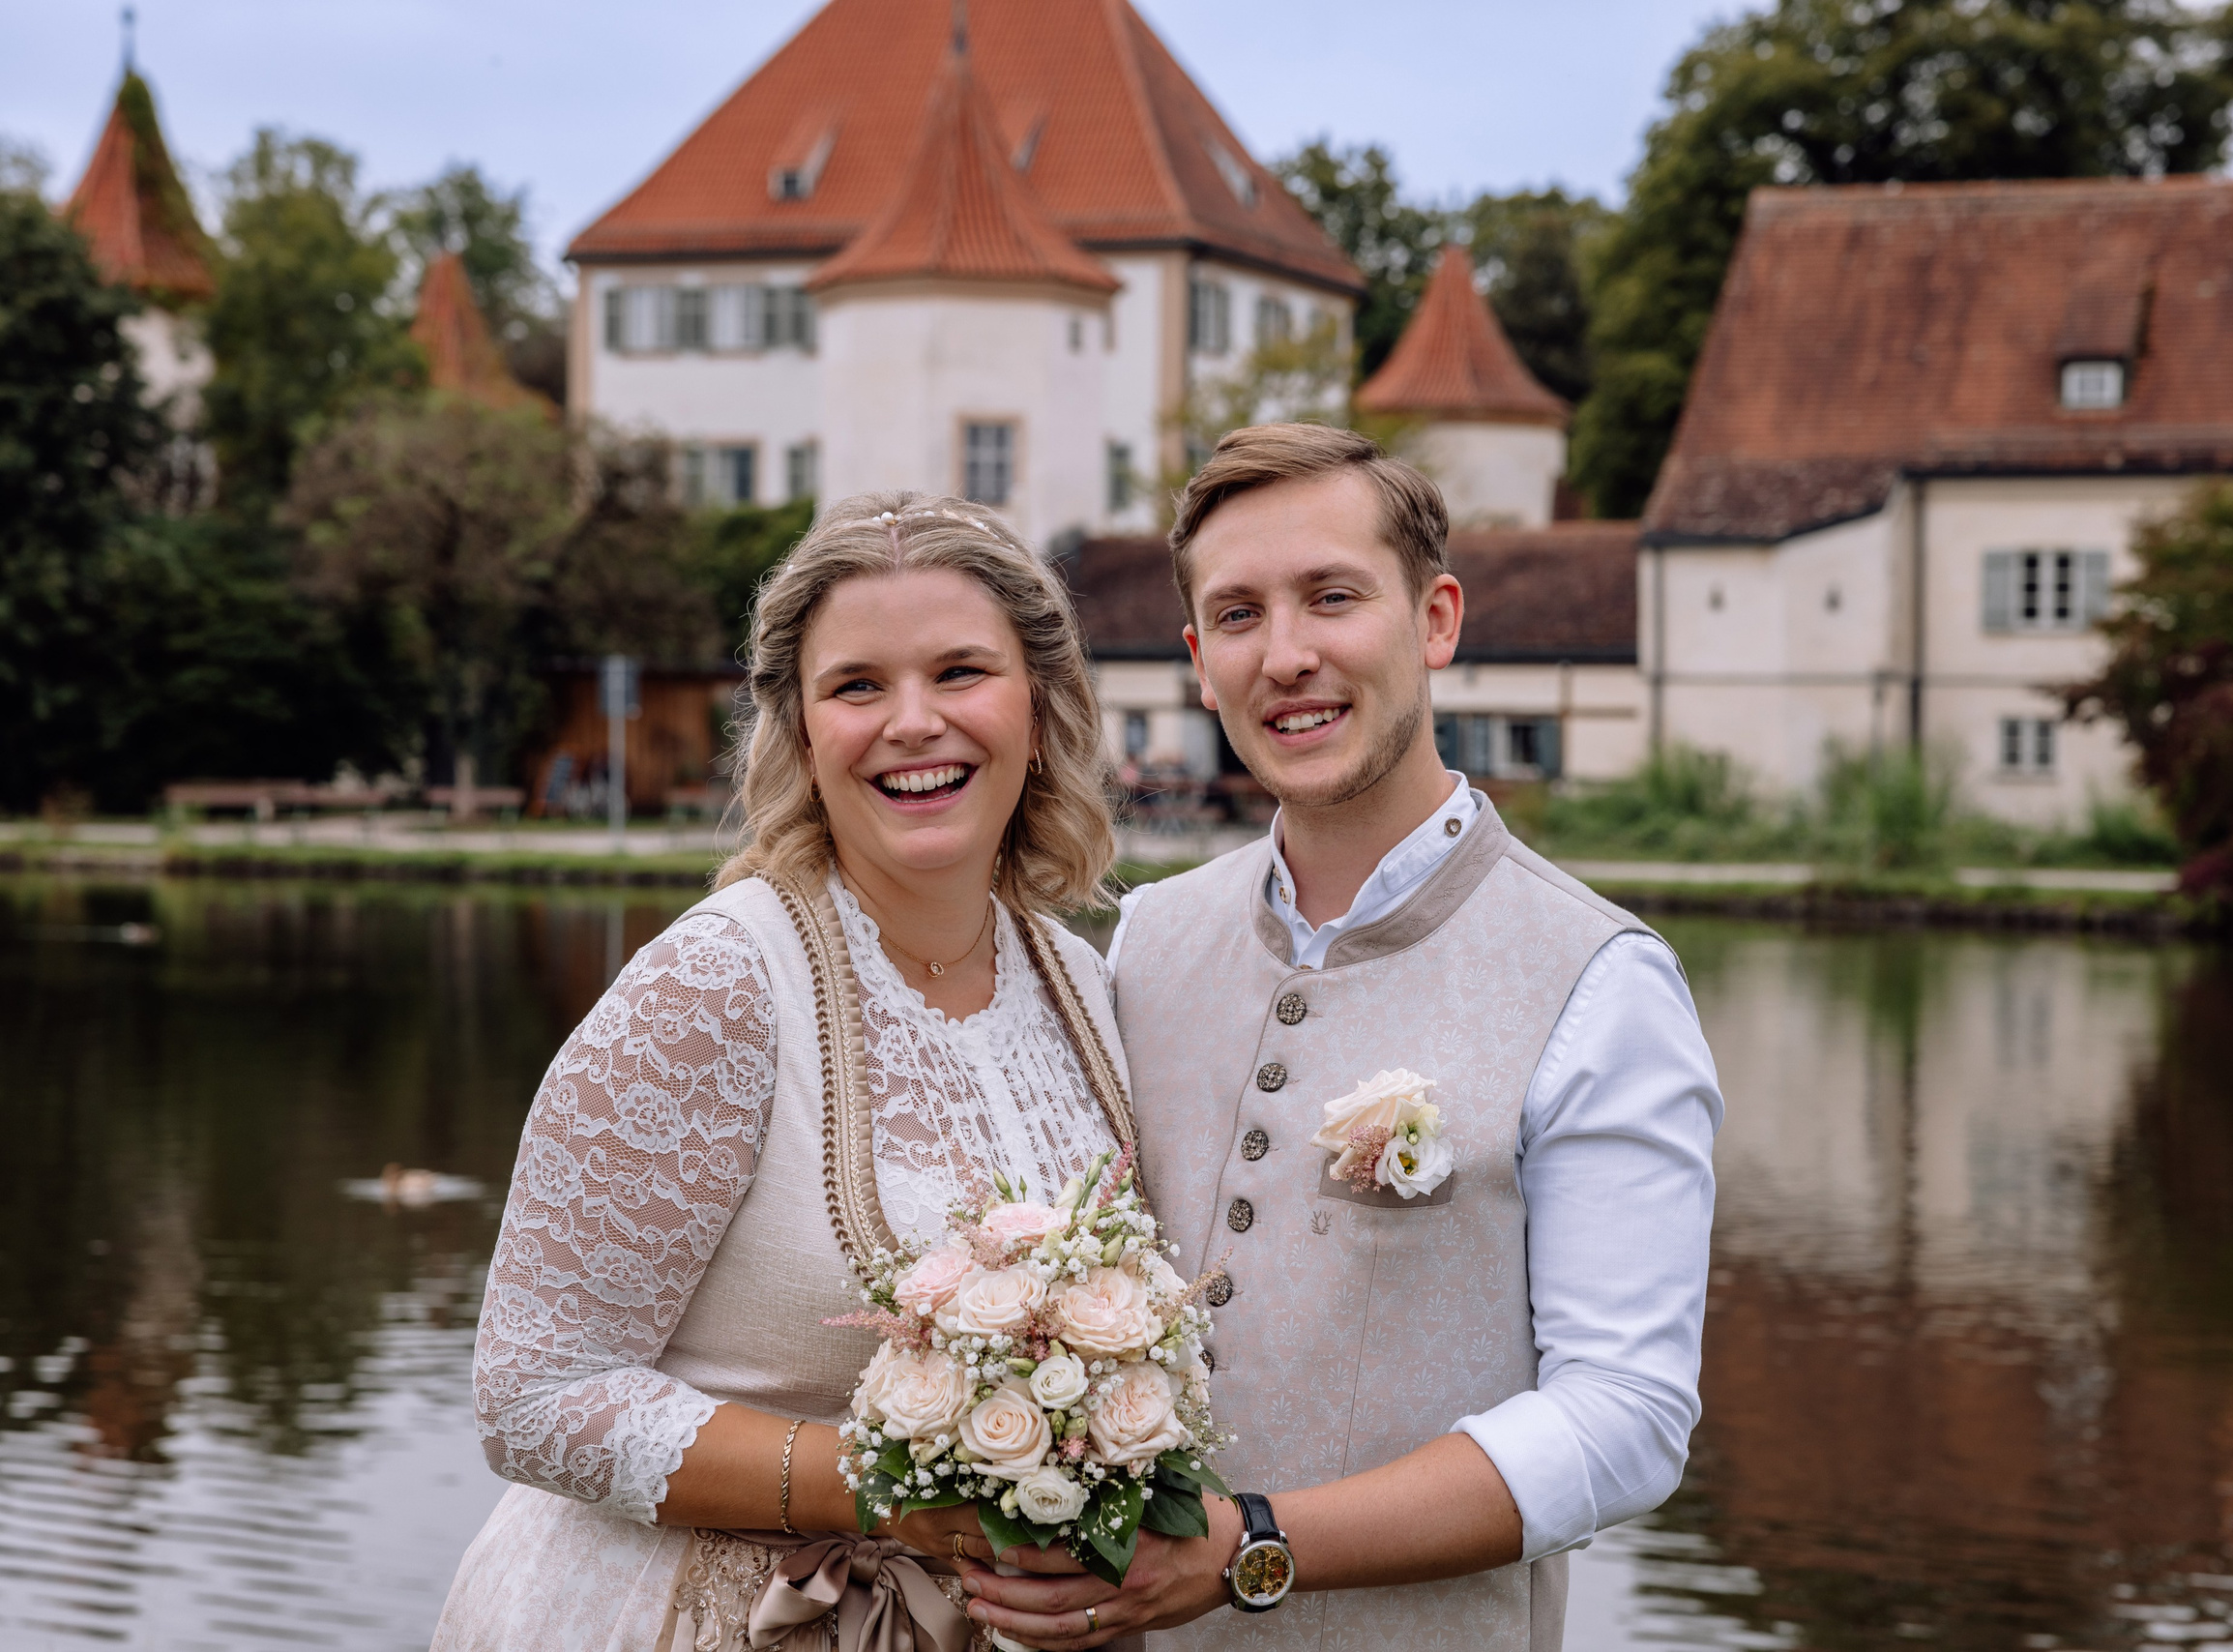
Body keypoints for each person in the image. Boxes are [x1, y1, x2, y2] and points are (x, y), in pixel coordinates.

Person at [960, 424, 1723, 1650]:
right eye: (1241, 616)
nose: (1290, 655)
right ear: (1200, 664)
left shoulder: (1600, 980)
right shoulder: (1147, 938)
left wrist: (1255, 1543)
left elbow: (1623, 1421)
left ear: (1435, 620)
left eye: (1331, 596)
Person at [432, 493, 1142, 1652]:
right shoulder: (718, 985)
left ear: (1042, 700)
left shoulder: (1082, 985)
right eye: (858, 685)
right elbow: (533, 1396)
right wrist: (889, 1484)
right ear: (801, 731)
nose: (914, 722)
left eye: (961, 671)